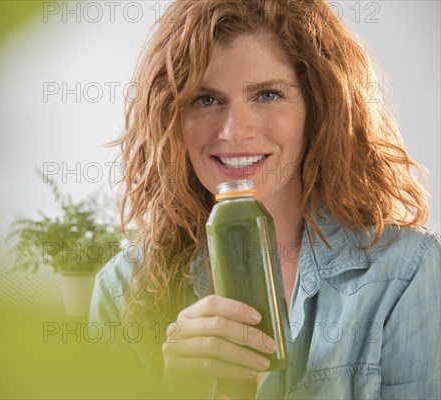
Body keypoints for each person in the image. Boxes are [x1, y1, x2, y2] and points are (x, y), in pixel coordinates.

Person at [89, 0, 441, 398]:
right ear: (171, 117)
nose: (234, 131)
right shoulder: (121, 289)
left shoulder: (407, 274)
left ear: (319, 108)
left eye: (268, 95)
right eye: (206, 99)